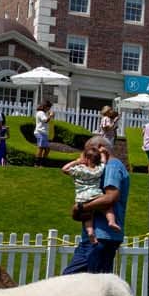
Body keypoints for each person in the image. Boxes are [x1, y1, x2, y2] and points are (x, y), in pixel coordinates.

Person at [63, 136, 129, 273]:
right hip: (95, 238)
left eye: (88, 153)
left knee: (86, 282)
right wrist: (78, 212)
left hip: (102, 237)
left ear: (100, 148)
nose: (85, 159)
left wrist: (81, 207)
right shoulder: (100, 168)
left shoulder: (112, 167)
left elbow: (111, 198)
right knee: (76, 281)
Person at [62, 145, 121, 244]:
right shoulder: (98, 170)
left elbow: (64, 169)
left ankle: (90, 232)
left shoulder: (79, 170)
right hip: (96, 195)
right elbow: (103, 161)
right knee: (107, 207)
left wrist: (76, 161)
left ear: (86, 159)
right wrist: (103, 152)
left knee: (88, 215)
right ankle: (111, 221)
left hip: (82, 197)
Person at [33, 101, 54, 167]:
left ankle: (41, 164)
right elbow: (46, 121)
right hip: (40, 132)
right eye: (48, 107)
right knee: (41, 148)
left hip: (43, 133)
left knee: (47, 149)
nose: (49, 109)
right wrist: (50, 115)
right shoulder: (41, 113)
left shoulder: (42, 113)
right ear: (45, 106)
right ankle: (37, 164)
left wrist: (49, 116)